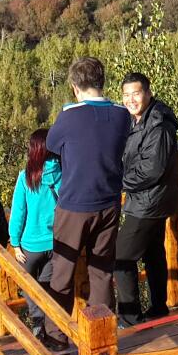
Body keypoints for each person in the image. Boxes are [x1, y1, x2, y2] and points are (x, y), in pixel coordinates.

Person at [41, 56, 132, 318]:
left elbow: (51, 145)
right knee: (102, 272)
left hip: (74, 205)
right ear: (102, 83)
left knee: (62, 272)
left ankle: (56, 336)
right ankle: (102, 334)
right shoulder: (121, 115)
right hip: (110, 203)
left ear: (74, 86)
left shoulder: (69, 117)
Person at [115, 72, 178, 326]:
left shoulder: (158, 125)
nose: (131, 99)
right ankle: (158, 308)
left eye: (136, 93)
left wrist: (118, 180)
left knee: (121, 257)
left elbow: (151, 169)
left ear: (148, 93)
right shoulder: (139, 120)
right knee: (153, 252)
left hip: (149, 202)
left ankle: (130, 318)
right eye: (127, 95)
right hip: (149, 200)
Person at [8, 127, 63, 337]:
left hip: (30, 245)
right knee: (47, 287)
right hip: (56, 244)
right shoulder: (63, 173)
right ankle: (51, 329)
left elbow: (18, 212)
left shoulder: (26, 177)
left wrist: (15, 242)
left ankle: (38, 321)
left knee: (26, 284)